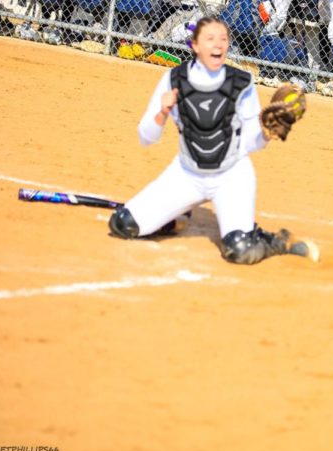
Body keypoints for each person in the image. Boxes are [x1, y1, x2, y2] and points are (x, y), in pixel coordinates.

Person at [108, 16, 316, 265]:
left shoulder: (242, 83)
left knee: (240, 249)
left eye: (223, 39)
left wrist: (265, 133)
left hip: (231, 174)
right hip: (187, 173)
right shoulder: (174, 79)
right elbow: (146, 138)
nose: (218, 45)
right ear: (195, 45)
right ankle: (176, 217)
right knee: (124, 224)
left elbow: (250, 144)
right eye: (210, 38)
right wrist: (162, 113)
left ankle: (278, 241)